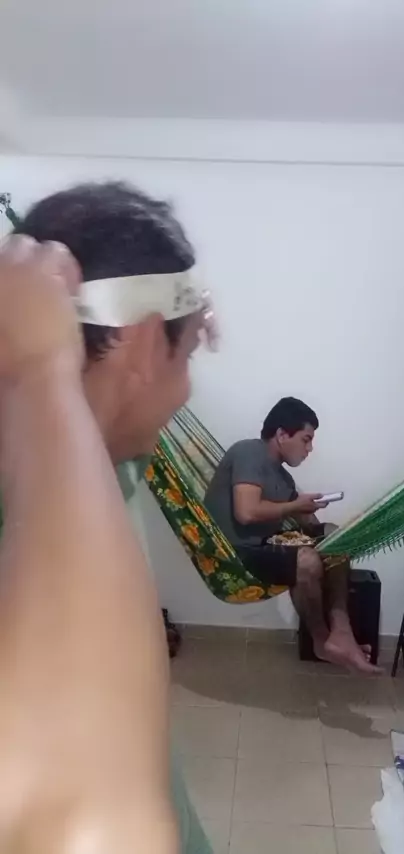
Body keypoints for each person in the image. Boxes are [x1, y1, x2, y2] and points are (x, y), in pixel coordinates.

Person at [13, 182, 214, 854]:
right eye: (188, 355)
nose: (187, 385)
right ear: (142, 345)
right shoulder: (51, 551)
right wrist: (45, 367)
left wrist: (169, 332)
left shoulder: (106, 458)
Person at [205, 397, 381, 674]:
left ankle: (342, 630)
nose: (310, 449)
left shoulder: (284, 478)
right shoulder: (249, 452)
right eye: (306, 440)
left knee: (335, 535)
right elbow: (246, 512)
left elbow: (306, 523)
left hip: (266, 546)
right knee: (307, 561)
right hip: (235, 552)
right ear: (281, 434)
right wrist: (296, 505)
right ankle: (321, 641)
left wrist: (335, 527)